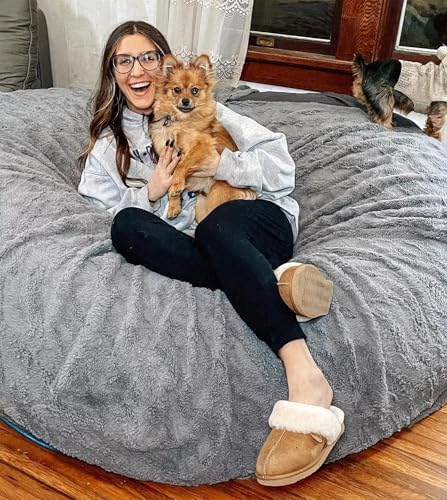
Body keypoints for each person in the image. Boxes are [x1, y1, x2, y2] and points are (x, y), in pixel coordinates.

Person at [78, 20, 345, 487]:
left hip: (253, 219)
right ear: (112, 73)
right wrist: (151, 192)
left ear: (165, 67)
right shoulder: (108, 147)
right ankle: (275, 283)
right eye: (124, 61)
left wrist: (221, 164)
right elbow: (99, 212)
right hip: (199, 239)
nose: (138, 70)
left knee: (218, 228)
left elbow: (281, 168)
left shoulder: (211, 112)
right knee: (127, 226)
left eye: (148, 58)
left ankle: (306, 376)